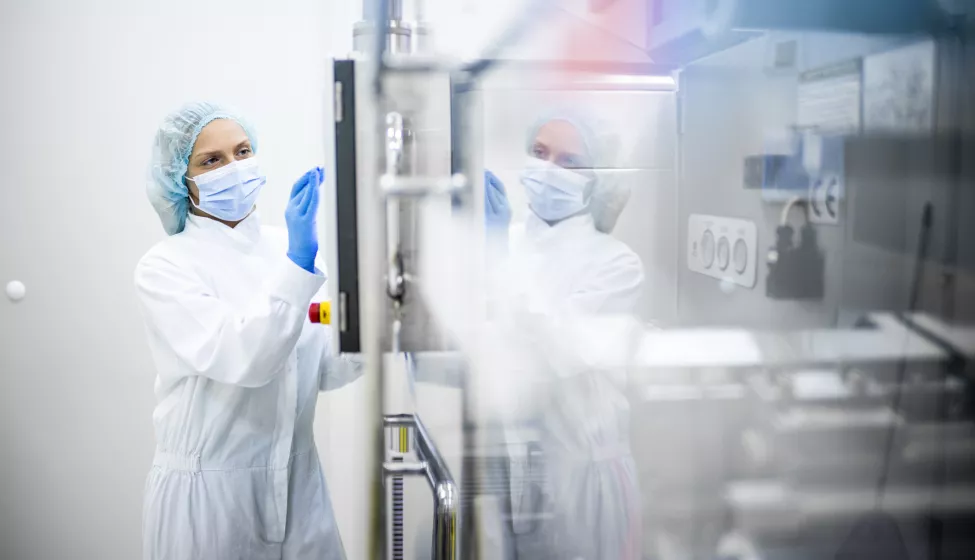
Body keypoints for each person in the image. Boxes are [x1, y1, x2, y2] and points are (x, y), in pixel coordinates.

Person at [135, 102, 360, 560]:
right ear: (182, 179)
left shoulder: (289, 247)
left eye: (242, 151)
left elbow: (324, 370)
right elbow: (248, 358)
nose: (233, 168)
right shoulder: (166, 267)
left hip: (300, 489)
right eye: (211, 161)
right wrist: (298, 265)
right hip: (209, 501)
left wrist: (374, 323)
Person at [487, 110, 645, 560]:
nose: (546, 169)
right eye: (539, 153)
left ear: (598, 179)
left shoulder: (617, 264)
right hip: (514, 477)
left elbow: (556, 351)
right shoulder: (506, 241)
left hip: (585, 485)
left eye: (568, 161)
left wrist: (497, 263)